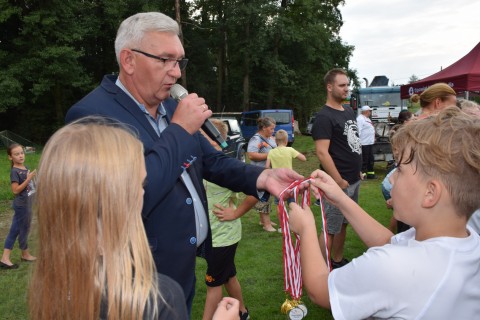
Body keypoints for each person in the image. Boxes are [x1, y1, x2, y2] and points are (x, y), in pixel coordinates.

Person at [65, 12, 303, 312]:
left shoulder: (168, 105)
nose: (176, 72)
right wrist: (179, 130)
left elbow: (212, 161)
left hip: (182, 268)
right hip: (134, 279)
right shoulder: (91, 116)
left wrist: (261, 178)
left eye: (179, 61)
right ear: (128, 60)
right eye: (165, 59)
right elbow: (129, 195)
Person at [288, 107, 480, 319]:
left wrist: (306, 229)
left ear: (430, 193)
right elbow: (390, 241)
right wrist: (341, 198)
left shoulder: (392, 269)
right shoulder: (465, 245)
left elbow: (320, 290)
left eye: (400, 169)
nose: (391, 179)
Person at [29, 119, 189, 319]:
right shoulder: (160, 300)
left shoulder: (52, 288)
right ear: (118, 198)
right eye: (140, 184)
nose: (143, 193)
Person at [201, 119, 256, 320]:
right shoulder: (199, 164)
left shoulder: (226, 168)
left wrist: (235, 213)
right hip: (210, 236)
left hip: (223, 236)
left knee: (213, 283)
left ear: (217, 142)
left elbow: (256, 192)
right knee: (228, 275)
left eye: (205, 138)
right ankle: (242, 312)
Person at [311, 68, 362, 269]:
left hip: (352, 179)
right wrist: (338, 181)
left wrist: (357, 170)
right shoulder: (324, 117)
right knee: (330, 227)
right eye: (342, 85)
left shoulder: (348, 110)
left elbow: (352, 143)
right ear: (329, 87)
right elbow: (322, 153)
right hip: (336, 183)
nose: (346, 89)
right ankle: (321, 270)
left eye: (347, 85)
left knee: (344, 223)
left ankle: (337, 261)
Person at [0, 144, 36, 269]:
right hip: (21, 206)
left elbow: (30, 188)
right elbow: (15, 191)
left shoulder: (25, 167)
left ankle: (25, 254)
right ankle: (5, 258)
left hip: (28, 204)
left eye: (21, 152)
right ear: (10, 157)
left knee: (24, 229)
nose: (21, 155)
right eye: (16, 154)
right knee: (15, 230)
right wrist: (29, 178)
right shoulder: (15, 171)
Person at [246, 117, 278, 232]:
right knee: (263, 197)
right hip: (259, 173)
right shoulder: (256, 139)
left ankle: (262, 220)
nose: (273, 131)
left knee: (266, 196)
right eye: (271, 128)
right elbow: (251, 155)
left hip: (268, 172)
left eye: (274, 128)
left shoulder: (270, 138)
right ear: (264, 128)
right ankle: (267, 224)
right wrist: (271, 155)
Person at [266, 129, 307, 203]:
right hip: (289, 180)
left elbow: (266, 167)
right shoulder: (290, 150)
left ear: (276, 141)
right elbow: (304, 159)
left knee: (279, 203)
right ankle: (294, 213)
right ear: (286, 141)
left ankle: (281, 215)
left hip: (277, 181)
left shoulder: (271, 152)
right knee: (292, 202)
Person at [356, 105, 376, 179]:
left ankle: (371, 174)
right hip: (363, 143)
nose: (370, 112)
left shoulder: (367, 119)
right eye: (370, 111)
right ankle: (363, 175)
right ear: (366, 111)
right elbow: (358, 131)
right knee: (364, 160)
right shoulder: (360, 119)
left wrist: (373, 138)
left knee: (370, 159)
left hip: (369, 143)